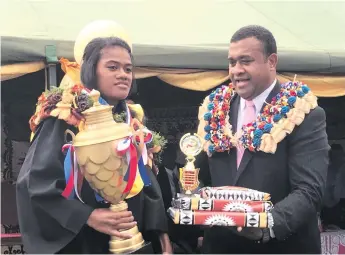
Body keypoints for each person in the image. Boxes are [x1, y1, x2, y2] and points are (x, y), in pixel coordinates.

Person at [16, 37, 172, 254]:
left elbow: (145, 181)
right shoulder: (65, 119)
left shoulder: (131, 121)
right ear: (91, 70)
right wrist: (87, 216)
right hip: (85, 243)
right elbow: (34, 182)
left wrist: (162, 239)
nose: (123, 74)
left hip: (132, 240)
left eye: (128, 69)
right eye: (112, 67)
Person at [196, 25, 330, 254]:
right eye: (232, 62)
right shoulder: (215, 110)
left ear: (272, 61)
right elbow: (200, 177)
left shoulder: (304, 113)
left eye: (245, 61)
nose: (236, 70)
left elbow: (309, 190)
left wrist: (264, 225)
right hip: (220, 247)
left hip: (280, 246)